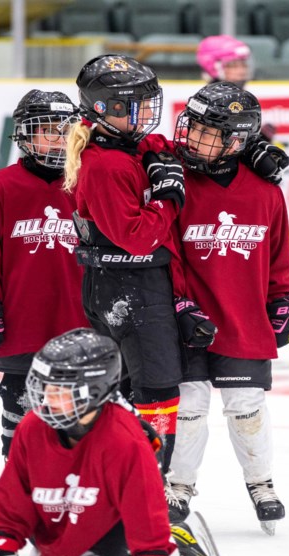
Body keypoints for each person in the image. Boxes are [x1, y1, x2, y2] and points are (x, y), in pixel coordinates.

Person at [0, 329, 222, 556]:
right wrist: (2, 540)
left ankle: (173, 548)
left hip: (115, 516)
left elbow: (142, 504)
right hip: (70, 506)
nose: (47, 400)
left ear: (93, 392)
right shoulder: (33, 428)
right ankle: (163, 544)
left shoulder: (123, 438)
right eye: (45, 389)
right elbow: (14, 490)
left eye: (60, 392)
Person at [62, 54, 215, 474]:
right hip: (131, 289)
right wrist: (169, 198)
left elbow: (156, 147)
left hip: (121, 287)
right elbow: (138, 236)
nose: (148, 114)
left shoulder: (121, 148)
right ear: (105, 110)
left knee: (132, 390)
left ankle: (127, 481)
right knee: (157, 391)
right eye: (137, 106)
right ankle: (148, 486)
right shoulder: (106, 165)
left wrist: (160, 157)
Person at [164, 82, 289, 535]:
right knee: (189, 405)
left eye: (208, 133)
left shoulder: (264, 192)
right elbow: (168, 253)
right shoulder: (176, 181)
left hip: (243, 319)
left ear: (237, 141)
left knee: (247, 405)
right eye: (194, 128)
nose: (194, 139)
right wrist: (180, 303)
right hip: (190, 322)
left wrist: (284, 298)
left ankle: (261, 483)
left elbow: (277, 254)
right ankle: (178, 486)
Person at [0, 89, 90, 459]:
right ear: (24, 134)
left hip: (78, 318)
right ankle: (18, 475)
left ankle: (69, 479)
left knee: (74, 403)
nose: (57, 138)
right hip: (23, 319)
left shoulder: (87, 180)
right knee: (18, 396)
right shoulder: (1, 186)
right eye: (46, 130)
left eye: (64, 130)